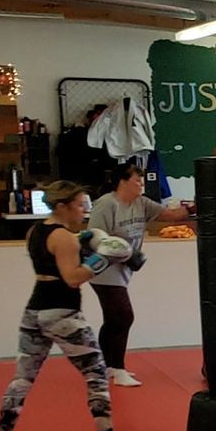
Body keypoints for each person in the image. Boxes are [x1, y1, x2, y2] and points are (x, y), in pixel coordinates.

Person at [0, 180, 141, 431]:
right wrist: (103, 259)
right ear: (62, 206)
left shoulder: (35, 231)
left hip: (34, 312)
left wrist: (83, 243)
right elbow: (72, 279)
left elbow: (52, 261)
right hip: (62, 313)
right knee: (97, 374)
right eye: (78, 206)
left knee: (22, 378)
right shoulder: (62, 237)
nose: (83, 211)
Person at [86, 160, 188, 387]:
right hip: (103, 268)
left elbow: (170, 215)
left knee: (113, 319)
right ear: (122, 182)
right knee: (124, 316)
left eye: (142, 181)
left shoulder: (141, 203)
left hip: (122, 270)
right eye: (136, 181)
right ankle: (119, 369)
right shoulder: (107, 204)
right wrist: (123, 253)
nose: (141, 185)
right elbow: (94, 237)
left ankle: (107, 366)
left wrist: (195, 206)